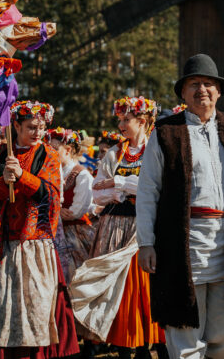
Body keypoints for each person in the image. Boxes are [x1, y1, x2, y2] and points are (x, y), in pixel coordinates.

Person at [137, 54, 224, 359]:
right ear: (184, 93)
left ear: (218, 91)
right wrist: (146, 243)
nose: (202, 89)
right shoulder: (165, 133)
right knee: (184, 332)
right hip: (182, 244)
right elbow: (148, 191)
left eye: (208, 84)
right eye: (194, 84)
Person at [0, 100, 79, 359]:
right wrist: (2, 183)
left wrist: (23, 177)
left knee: (31, 304)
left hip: (32, 242)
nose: (37, 133)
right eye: (31, 127)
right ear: (16, 126)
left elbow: (52, 196)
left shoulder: (48, 154)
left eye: (41, 127)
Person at [73, 96, 164, 359]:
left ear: (143, 121)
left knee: (144, 285)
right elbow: (98, 194)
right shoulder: (115, 153)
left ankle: (147, 343)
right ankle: (124, 344)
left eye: (127, 119)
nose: (121, 124)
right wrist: (129, 186)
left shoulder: (155, 150)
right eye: (120, 119)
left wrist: (120, 184)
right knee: (118, 287)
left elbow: (156, 187)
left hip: (144, 226)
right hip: (114, 226)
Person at [46, 127, 94, 284]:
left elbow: (75, 212)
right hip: (53, 230)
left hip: (74, 232)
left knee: (74, 277)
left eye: (53, 149)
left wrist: (59, 212)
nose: (49, 153)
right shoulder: (48, 173)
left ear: (67, 150)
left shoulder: (82, 174)